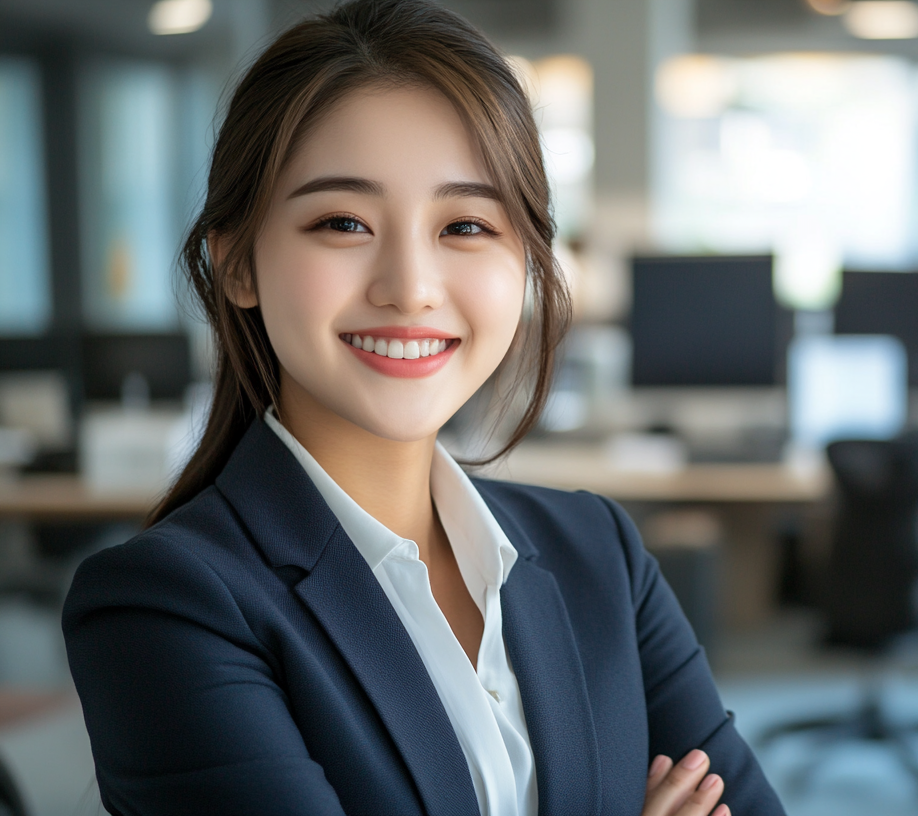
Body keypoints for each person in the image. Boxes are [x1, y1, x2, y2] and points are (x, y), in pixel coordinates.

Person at [61, 2, 785, 814]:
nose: (409, 287)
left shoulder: (599, 557)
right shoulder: (167, 604)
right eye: (342, 222)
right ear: (237, 264)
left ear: (528, 264)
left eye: (466, 225)